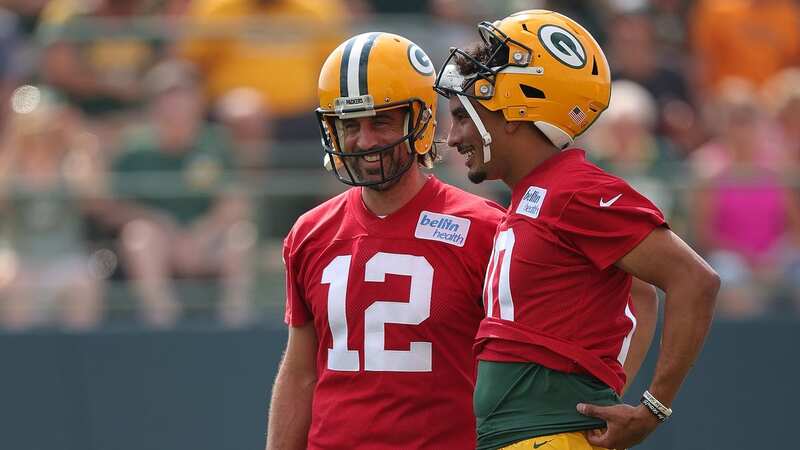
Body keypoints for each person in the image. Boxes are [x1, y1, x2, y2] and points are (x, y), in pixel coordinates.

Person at [435, 10, 719, 450]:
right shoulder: (537, 194)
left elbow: (695, 279)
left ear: (514, 110)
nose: (452, 137)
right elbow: (638, 292)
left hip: (548, 438)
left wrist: (652, 408)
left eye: (463, 116)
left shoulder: (574, 192)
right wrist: (608, 388)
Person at [264, 32, 507, 449]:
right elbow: (301, 371)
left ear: (421, 122)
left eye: (381, 121)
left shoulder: (485, 229)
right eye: (349, 125)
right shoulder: (310, 231)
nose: (365, 140)